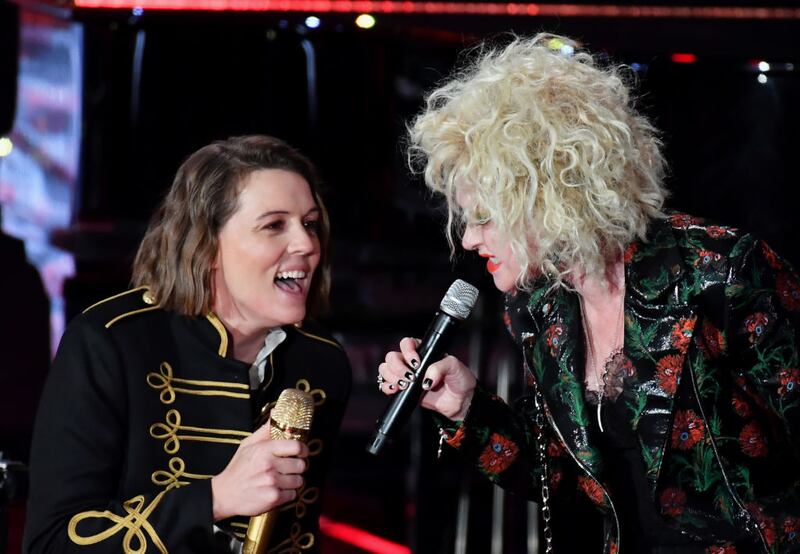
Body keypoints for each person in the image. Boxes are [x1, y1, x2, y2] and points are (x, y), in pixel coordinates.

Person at [379, 34, 800, 553]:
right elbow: (564, 477)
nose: (468, 239)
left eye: (485, 217)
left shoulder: (721, 273)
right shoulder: (540, 304)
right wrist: (466, 407)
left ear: (553, 193)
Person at [24, 135, 352, 553]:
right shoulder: (110, 341)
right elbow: (51, 543)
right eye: (274, 225)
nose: (307, 244)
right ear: (207, 244)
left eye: (309, 223)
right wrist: (215, 499)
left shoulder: (321, 363)